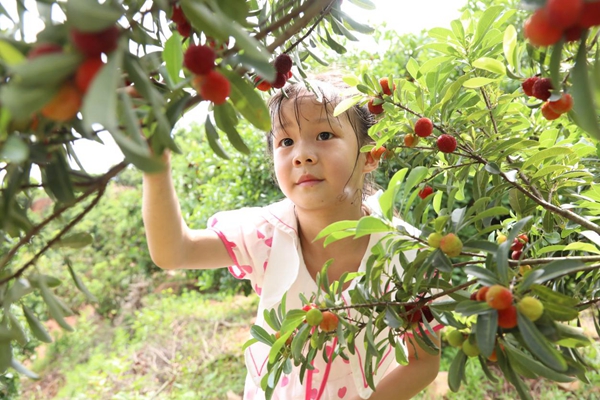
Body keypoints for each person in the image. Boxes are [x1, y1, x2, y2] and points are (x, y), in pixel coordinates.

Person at [142, 75, 442, 400]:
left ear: (370, 154)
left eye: (324, 134)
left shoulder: (405, 254)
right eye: (286, 142)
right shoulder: (265, 234)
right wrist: (154, 159)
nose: (302, 155)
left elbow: (422, 361)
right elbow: (175, 252)